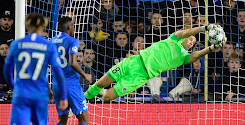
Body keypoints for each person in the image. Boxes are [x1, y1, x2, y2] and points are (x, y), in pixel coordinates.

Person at [3, 13, 68, 125]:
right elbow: (58, 72)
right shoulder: (48, 46)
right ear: (43, 27)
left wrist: (13, 85)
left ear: (27, 25)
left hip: (21, 94)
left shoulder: (17, 44)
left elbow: (7, 69)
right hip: (39, 96)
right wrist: (62, 94)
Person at [85, 24, 227, 102]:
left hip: (140, 77)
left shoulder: (184, 57)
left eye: (194, 43)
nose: (191, 43)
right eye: (191, 39)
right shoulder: (173, 38)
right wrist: (205, 28)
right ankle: (83, 99)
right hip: (134, 61)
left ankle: (93, 98)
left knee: (107, 97)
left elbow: (196, 55)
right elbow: (186, 32)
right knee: (101, 83)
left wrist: (212, 48)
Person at [46, 16, 92, 125]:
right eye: (73, 26)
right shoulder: (72, 41)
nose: (74, 29)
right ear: (69, 27)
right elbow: (72, 62)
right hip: (71, 85)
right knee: (84, 119)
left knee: (62, 120)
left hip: (57, 86)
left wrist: (49, 89)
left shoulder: (50, 42)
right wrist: (85, 75)